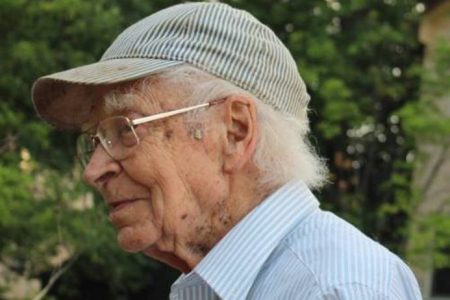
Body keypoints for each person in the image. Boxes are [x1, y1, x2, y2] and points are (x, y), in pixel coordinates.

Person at [32, 2, 422, 299]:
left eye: (125, 128)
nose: (94, 170)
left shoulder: (334, 289)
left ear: (235, 131)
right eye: (95, 140)